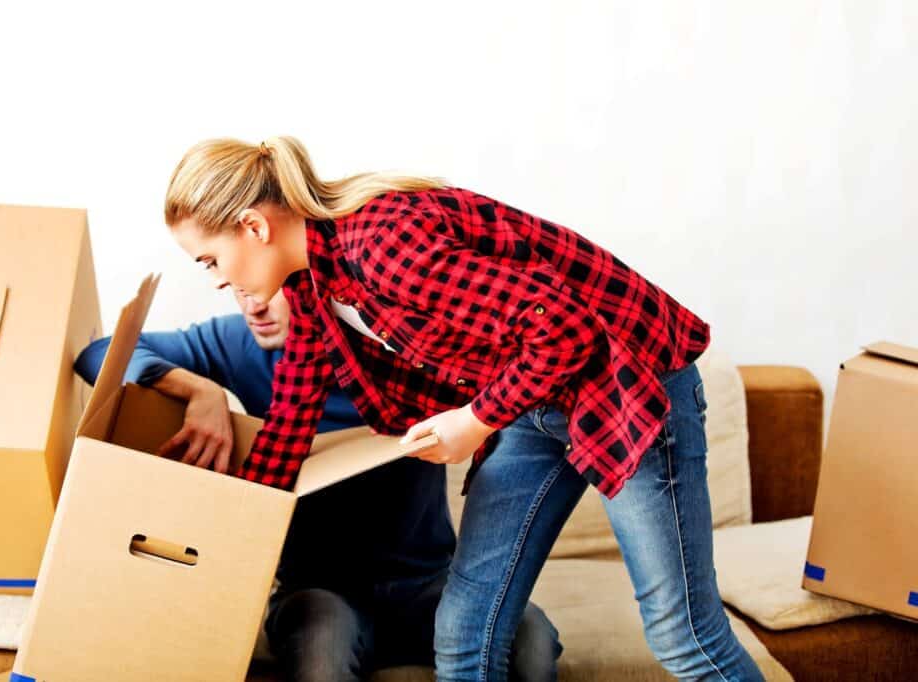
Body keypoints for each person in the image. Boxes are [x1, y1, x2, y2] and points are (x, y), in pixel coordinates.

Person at [158, 136, 766, 682]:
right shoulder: (315, 284)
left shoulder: (384, 243)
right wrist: (218, 543)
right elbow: (290, 421)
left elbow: (566, 329)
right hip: (533, 402)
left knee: (683, 638)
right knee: (465, 632)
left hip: (625, 385)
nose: (213, 281)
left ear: (253, 227)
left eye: (210, 260)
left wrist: (474, 420)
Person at [73, 287, 561, 682]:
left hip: (427, 585)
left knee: (532, 635)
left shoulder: (395, 343)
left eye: (270, 290)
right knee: (322, 653)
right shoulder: (239, 344)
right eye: (238, 290)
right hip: (322, 590)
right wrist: (198, 387)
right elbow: (98, 354)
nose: (253, 305)